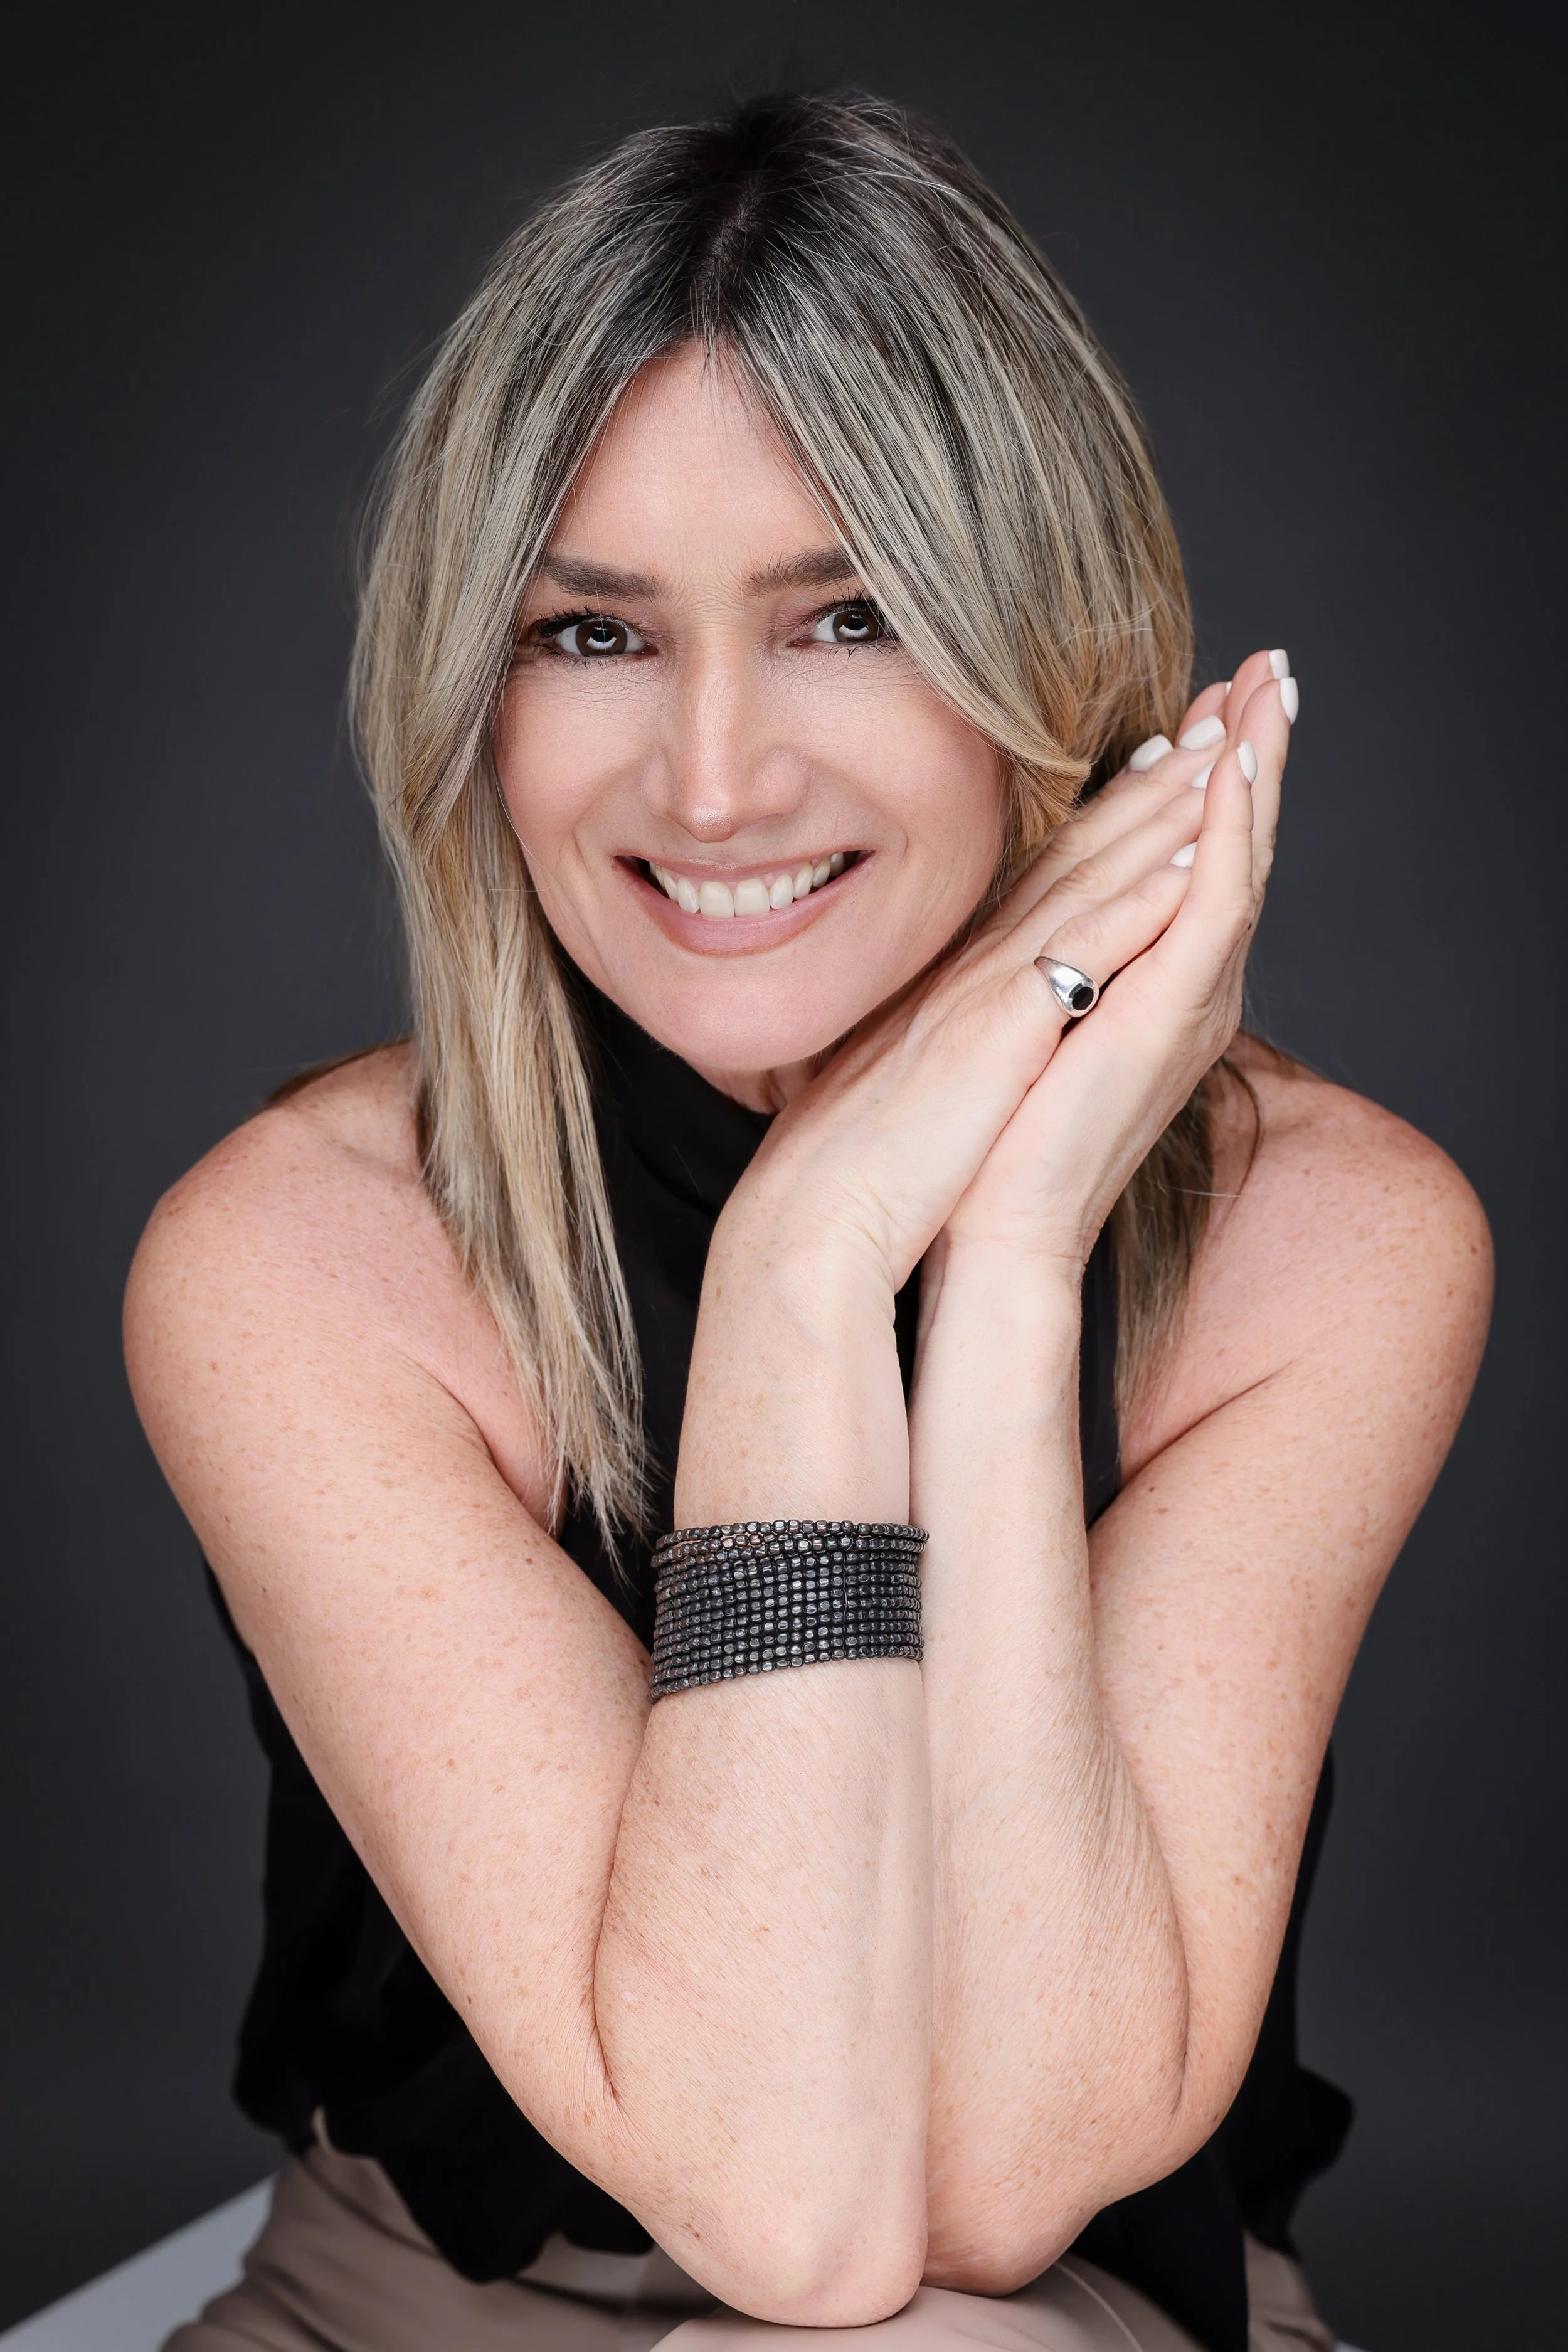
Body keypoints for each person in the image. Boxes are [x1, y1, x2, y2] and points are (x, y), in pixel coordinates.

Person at [124, 92, 1490, 2352]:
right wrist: (806, 1255)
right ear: (469, 693)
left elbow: (986, 2182)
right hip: (413, 2316)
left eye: (842, 612)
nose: (715, 776)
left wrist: (1011, 1239)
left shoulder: (1323, 1240)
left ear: (1038, 641)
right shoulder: (298, 1258)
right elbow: (785, 2201)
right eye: (590, 636)